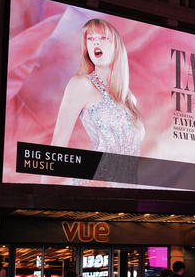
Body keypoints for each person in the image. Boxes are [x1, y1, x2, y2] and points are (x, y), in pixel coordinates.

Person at [51, 18, 145, 185]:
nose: (95, 43)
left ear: (116, 46)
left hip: (128, 189)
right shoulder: (81, 84)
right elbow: (57, 145)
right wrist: (42, 197)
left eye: (103, 38)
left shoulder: (129, 98)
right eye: (90, 38)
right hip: (97, 186)